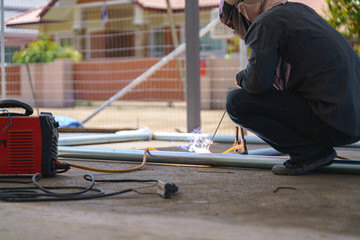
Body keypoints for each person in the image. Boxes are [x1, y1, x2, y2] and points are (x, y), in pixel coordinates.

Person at [219, 0, 360, 175]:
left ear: (241, 11)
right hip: (352, 118)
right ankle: (315, 150)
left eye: (232, 25)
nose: (236, 32)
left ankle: (309, 153)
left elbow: (257, 84)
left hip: (333, 120)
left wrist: (241, 78)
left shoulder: (265, 23)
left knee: (236, 102)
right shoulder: (298, 9)